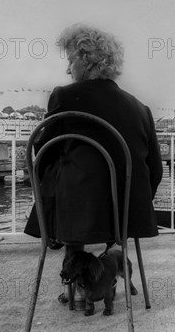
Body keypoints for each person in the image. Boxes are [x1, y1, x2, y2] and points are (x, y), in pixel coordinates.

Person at [24, 23, 163, 302]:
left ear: (86, 59)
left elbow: (43, 152)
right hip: (126, 212)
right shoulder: (140, 108)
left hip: (79, 213)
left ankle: (70, 275)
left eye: (70, 60)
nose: (67, 70)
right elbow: (156, 170)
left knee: (56, 171)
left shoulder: (65, 96)